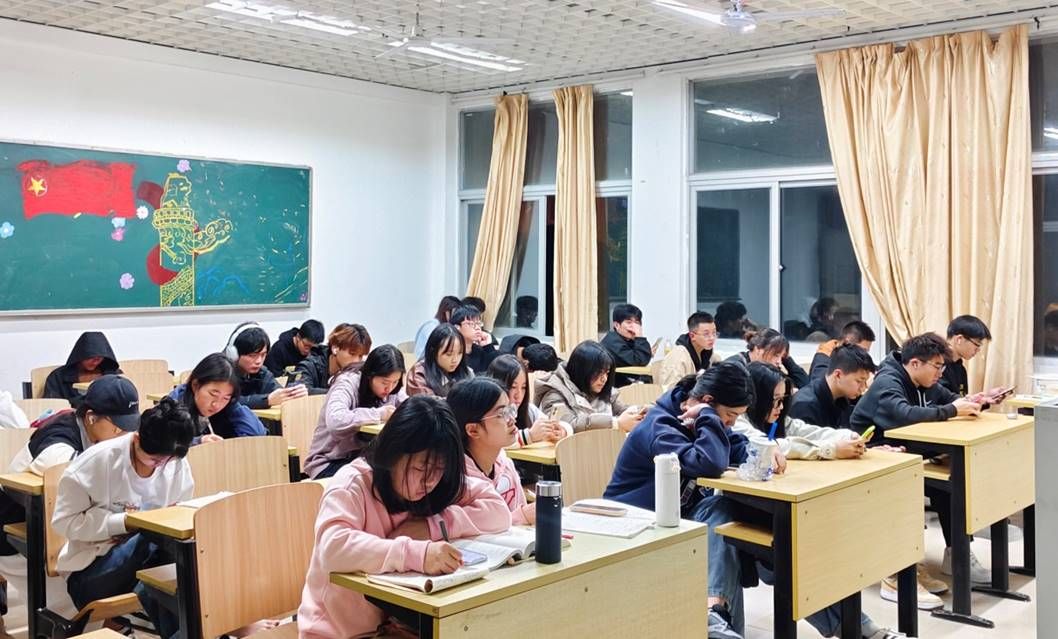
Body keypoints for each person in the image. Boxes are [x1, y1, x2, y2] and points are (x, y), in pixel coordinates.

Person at [297, 395, 511, 639]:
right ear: (393, 453)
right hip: (338, 633)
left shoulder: (438, 483)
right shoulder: (353, 485)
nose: (430, 481)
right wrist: (416, 554)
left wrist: (434, 526)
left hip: (401, 627)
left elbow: (499, 512)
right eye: (421, 468)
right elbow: (333, 548)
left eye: (439, 469)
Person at [728, 362, 904, 639]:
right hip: (740, 509)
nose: (779, 407)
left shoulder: (778, 419)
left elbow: (805, 431)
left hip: (773, 506)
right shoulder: (738, 420)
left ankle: (861, 628)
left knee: (810, 556)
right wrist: (831, 448)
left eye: (783, 400)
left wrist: (847, 437)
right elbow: (770, 445)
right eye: (774, 400)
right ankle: (861, 629)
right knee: (794, 559)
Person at [603, 363, 761, 638]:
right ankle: (715, 616)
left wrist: (762, 452)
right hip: (635, 524)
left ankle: (716, 617)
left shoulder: (696, 417)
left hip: (674, 518)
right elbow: (710, 462)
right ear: (707, 401)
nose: (731, 423)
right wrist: (709, 417)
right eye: (730, 415)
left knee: (728, 524)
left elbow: (733, 444)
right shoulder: (660, 426)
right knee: (720, 516)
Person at [850, 333, 986, 594]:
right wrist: (953, 410)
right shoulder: (888, 381)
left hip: (906, 454)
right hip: (870, 457)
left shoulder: (926, 380)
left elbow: (949, 399)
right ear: (915, 364)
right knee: (912, 491)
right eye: (937, 366)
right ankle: (898, 572)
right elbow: (905, 415)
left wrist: (977, 402)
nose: (940, 373)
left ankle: (955, 554)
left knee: (951, 486)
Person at [0, 376, 141, 624]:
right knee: (71, 606)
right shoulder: (59, 434)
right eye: (118, 426)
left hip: (64, 526)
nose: (124, 434)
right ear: (91, 418)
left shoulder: (102, 436)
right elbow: (61, 468)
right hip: (18, 529)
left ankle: (110, 622)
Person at [52, 398, 195, 639]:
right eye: (155, 460)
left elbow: (181, 512)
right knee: (158, 540)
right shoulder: (95, 463)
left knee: (171, 567)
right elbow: (64, 522)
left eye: (168, 461)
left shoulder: (173, 460)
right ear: (136, 439)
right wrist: (123, 522)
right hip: (90, 573)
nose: (161, 466)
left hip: (147, 566)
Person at [304, 345, 407, 479]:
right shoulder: (347, 383)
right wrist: (379, 414)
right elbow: (336, 420)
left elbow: (409, 406)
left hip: (362, 460)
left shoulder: (393, 389)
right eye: (384, 382)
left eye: (395, 382)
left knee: (402, 471)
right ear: (370, 375)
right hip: (329, 462)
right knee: (383, 478)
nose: (389, 388)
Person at [448, 377, 535, 525]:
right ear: (473, 430)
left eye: (510, 410)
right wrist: (520, 517)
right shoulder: (458, 481)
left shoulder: (505, 464)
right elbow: (468, 532)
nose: (512, 419)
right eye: (502, 414)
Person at [534, 341, 645, 433]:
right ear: (583, 371)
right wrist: (615, 423)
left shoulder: (602, 389)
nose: (604, 379)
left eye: (607, 373)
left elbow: (622, 410)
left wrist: (641, 412)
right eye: (599, 372)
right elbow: (566, 424)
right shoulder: (554, 392)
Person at [168, 353, 265, 441]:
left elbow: (257, 435)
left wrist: (233, 405)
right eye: (213, 394)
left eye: (226, 398)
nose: (217, 405)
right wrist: (198, 441)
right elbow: (166, 443)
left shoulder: (228, 405)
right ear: (195, 385)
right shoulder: (173, 406)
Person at [486, 354, 568, 447]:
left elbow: (562, 425)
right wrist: (529, 436)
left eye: (523, 387)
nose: (519, 395)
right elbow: (494, 443)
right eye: (513, 387)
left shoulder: (529, 410)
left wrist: (561, 430)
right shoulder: (489, 414)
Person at [790, 345, 875, 428]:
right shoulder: (804, 406)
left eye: (865, 382)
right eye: (859, 381)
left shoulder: (841, 398)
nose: (863, 388)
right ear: (838, 375)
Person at [224, 322, 306, 409]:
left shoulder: (262, 372)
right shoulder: (222, 372)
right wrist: (266, 400)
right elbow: (227, 401)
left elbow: (278, 392)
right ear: (234, 354)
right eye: (252, 356)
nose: (259, 361)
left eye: (263, 355)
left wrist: (292, 393)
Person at [290, 324, 372, 395]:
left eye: (360, 356)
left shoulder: (359, 371)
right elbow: (300, 391)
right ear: (335, 348)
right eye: (352, 354)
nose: (357, 361)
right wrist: (341, 392)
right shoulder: (309, 366)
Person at [941, 315, 1004, 402]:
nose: (978, 350)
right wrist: (983, 398)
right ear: (959, 339)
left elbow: (962, 403)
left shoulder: (960, 369)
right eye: (977, 344)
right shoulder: (938, 366)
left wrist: (986, 398)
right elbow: (943, 404)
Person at [43, 332, 122, 401]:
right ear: (81, 355)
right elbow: (52, 405)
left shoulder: (114, 375)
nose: (95, 362)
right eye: (91, 357)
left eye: (99, 358)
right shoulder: (58, 377)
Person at [726, 328, 810, 389]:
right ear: (758, 349)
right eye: (776, 355)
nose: (779, 362)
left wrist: (787, 359)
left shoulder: (770, 368)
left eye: (782, 357)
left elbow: (805, 386)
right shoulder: (735, 368)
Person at [406, 324, 474, 398]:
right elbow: (428, 403)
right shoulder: (419, 374)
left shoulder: (466, 372)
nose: (455, 360)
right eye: (449, 354)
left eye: (459, 353)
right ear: (433, 351)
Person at [657, 311, 722, 388]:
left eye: (714, 333)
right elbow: (671, 391)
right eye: (706, 334)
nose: (712, 338)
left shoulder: (711, 356)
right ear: (692, 336)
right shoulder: (678, 356)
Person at [600, 303, 654, 387]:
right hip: (613, 389)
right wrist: (639, 336)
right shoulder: (613, 342)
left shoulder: (626, 339)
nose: (634, 327)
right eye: (629, 322)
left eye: (637, 322)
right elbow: (639, 362)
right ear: (617, 325)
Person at [809, 320, 876, 381]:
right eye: (862, 350)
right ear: (846, 343)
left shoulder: (849, 357)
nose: (864, 354)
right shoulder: (823, 360)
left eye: (866, 352)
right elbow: (822, 384)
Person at [449, 306, 497, 374]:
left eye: (478, 323)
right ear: (457, 327)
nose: (477, 328)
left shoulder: (480, 350)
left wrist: (488, 346)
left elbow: (496, 370)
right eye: (471, 324)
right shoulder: (453, 354)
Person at [414, 296, 462, 360]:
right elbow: (437, 348)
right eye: (455, 313)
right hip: (425, 361)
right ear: (447, 312)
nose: (457, 317)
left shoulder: (445, 326)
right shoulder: (432, 326)